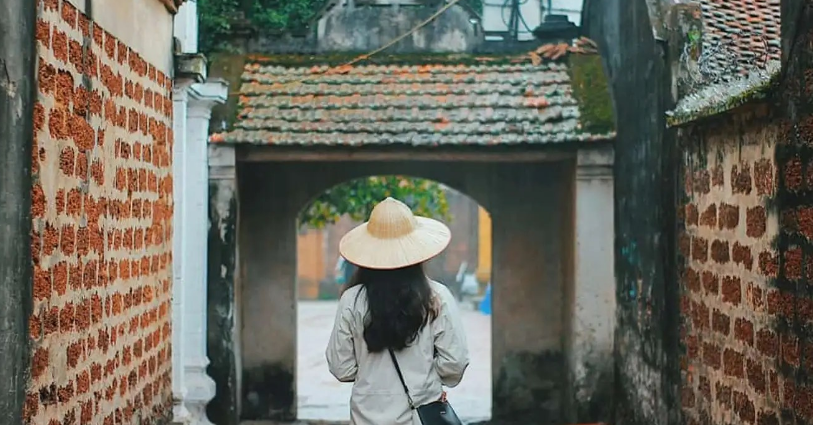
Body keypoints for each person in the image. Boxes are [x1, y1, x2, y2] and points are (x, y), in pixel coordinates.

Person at [325, 197, 470, 425]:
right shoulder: (437, 297)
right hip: (419, 415)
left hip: (365, 417)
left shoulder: (352, 300)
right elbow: (455, 363)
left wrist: (372, 375)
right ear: (415, 248)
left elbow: (340, 367)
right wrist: (428, 381)